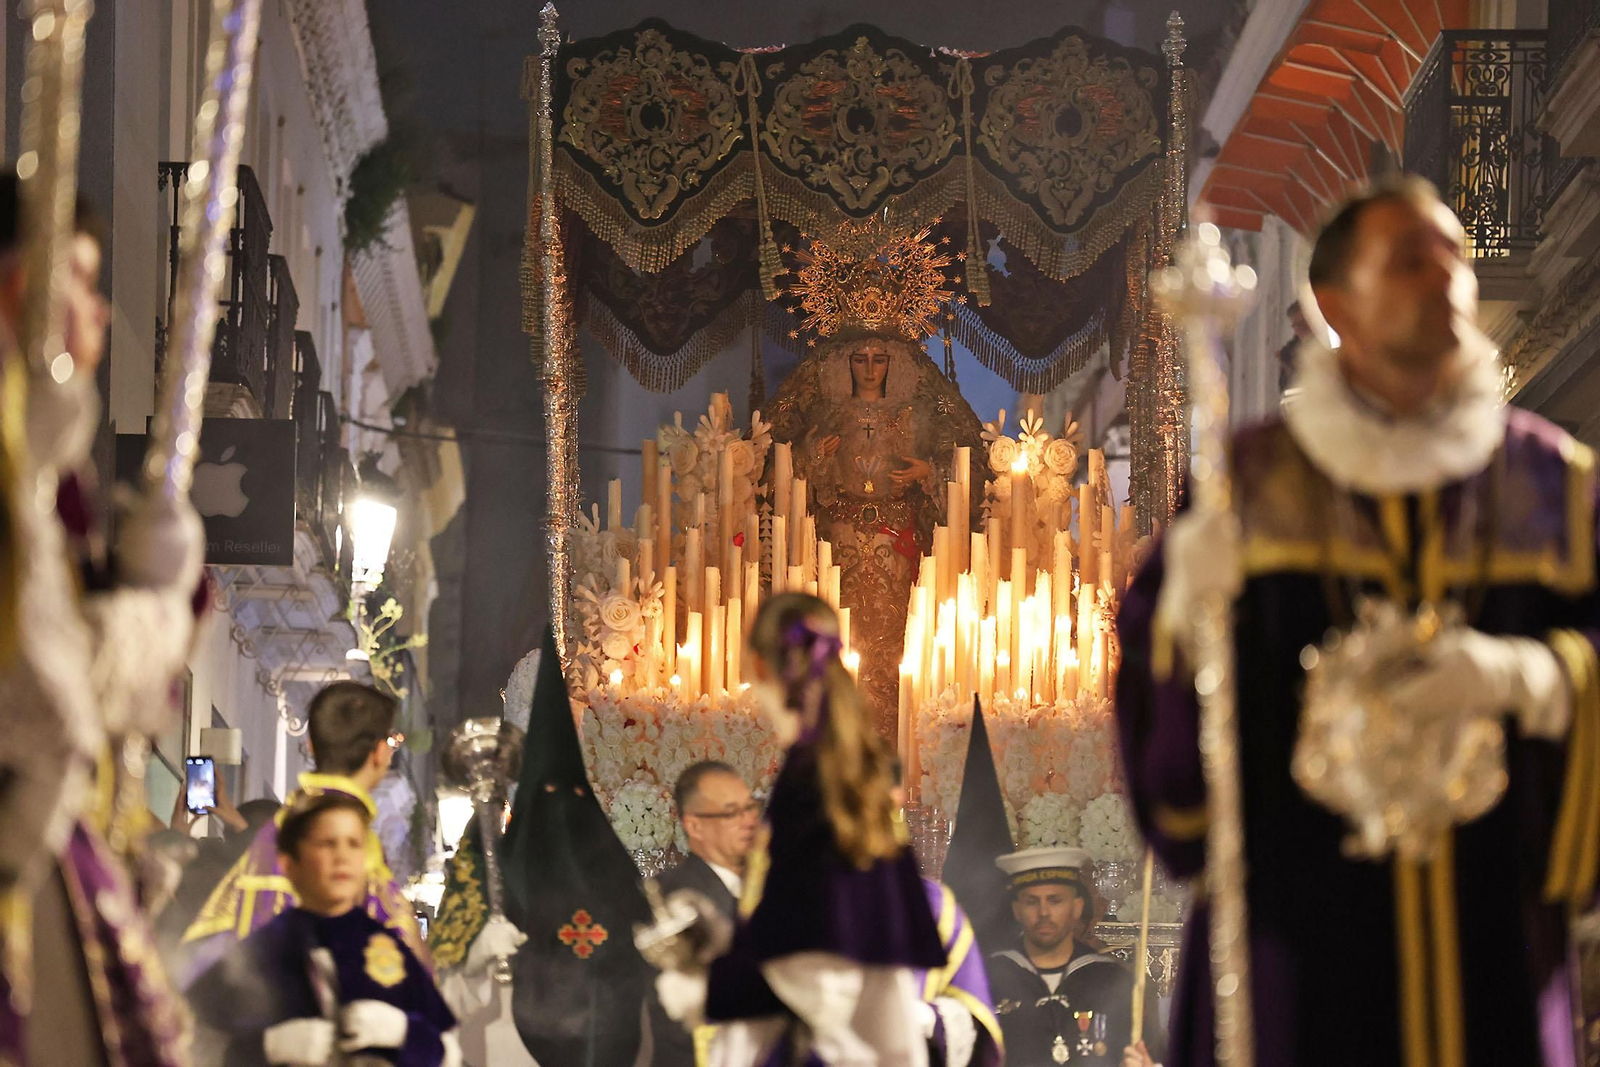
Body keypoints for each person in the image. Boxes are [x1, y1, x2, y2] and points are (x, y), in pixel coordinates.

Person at [1117, 174, 1600, 1065]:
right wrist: (1181, 616)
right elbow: (1179, 780)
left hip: (1491, 934)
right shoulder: (1249, 484)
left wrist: (1534, 678)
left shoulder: (1555, 485)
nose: (1445, 279)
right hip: (1298, 952)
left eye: (1453, 257)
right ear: (1335, 300)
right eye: (1411, 258)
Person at [0, 169, 204, 1066]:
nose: (103, 310)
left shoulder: (53, 475)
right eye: (79, 277)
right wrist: (154, 608)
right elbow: (57, 691)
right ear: (20, 284)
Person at [652, 592, 947, 1065]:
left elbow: (820, 976)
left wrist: (705, 990)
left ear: (758, 667)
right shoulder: (844, 774)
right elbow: (817, 929)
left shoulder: (811, 786)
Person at [766, 229, 985, 735]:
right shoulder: (824, 404)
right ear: (844, 363)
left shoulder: (919, 408)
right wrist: (812, 458)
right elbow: (774, 463)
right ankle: (837, 732)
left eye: (878, 359)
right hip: (836, 539)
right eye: (859, 359)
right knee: (836, 637)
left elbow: (967, 456)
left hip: (897, 538)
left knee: (894, 638)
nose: (869, 368)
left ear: (895, 363)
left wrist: (930, 473)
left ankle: (893, 732)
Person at [188, 791, 459, 1067]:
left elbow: (447, 1051)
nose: (342, 858)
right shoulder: (257, 951)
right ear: (289, 864)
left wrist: (403, 1033)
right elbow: (189, 1041)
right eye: (327, 843)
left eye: (353, 844)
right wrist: (268, 1046)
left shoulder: (389, 949)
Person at [182, 682, 427, 981]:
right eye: (391, 744)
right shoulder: (352, 843)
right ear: (378, 753)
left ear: (310, 745)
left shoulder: (275, 833)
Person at [987, 847, 1156, 1067]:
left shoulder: (1112, 981)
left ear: (1077, 907)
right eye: (1032, 901)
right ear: (1017, 909)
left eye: (1055, 900)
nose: (1044, 912)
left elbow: (1150, 1052)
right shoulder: (987, 979)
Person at [648, 762, 761, 1067]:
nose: (749, 821)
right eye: (731, 812)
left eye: (751, 808)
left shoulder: (773, 886)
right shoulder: (667, 897)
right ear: (694, 825)